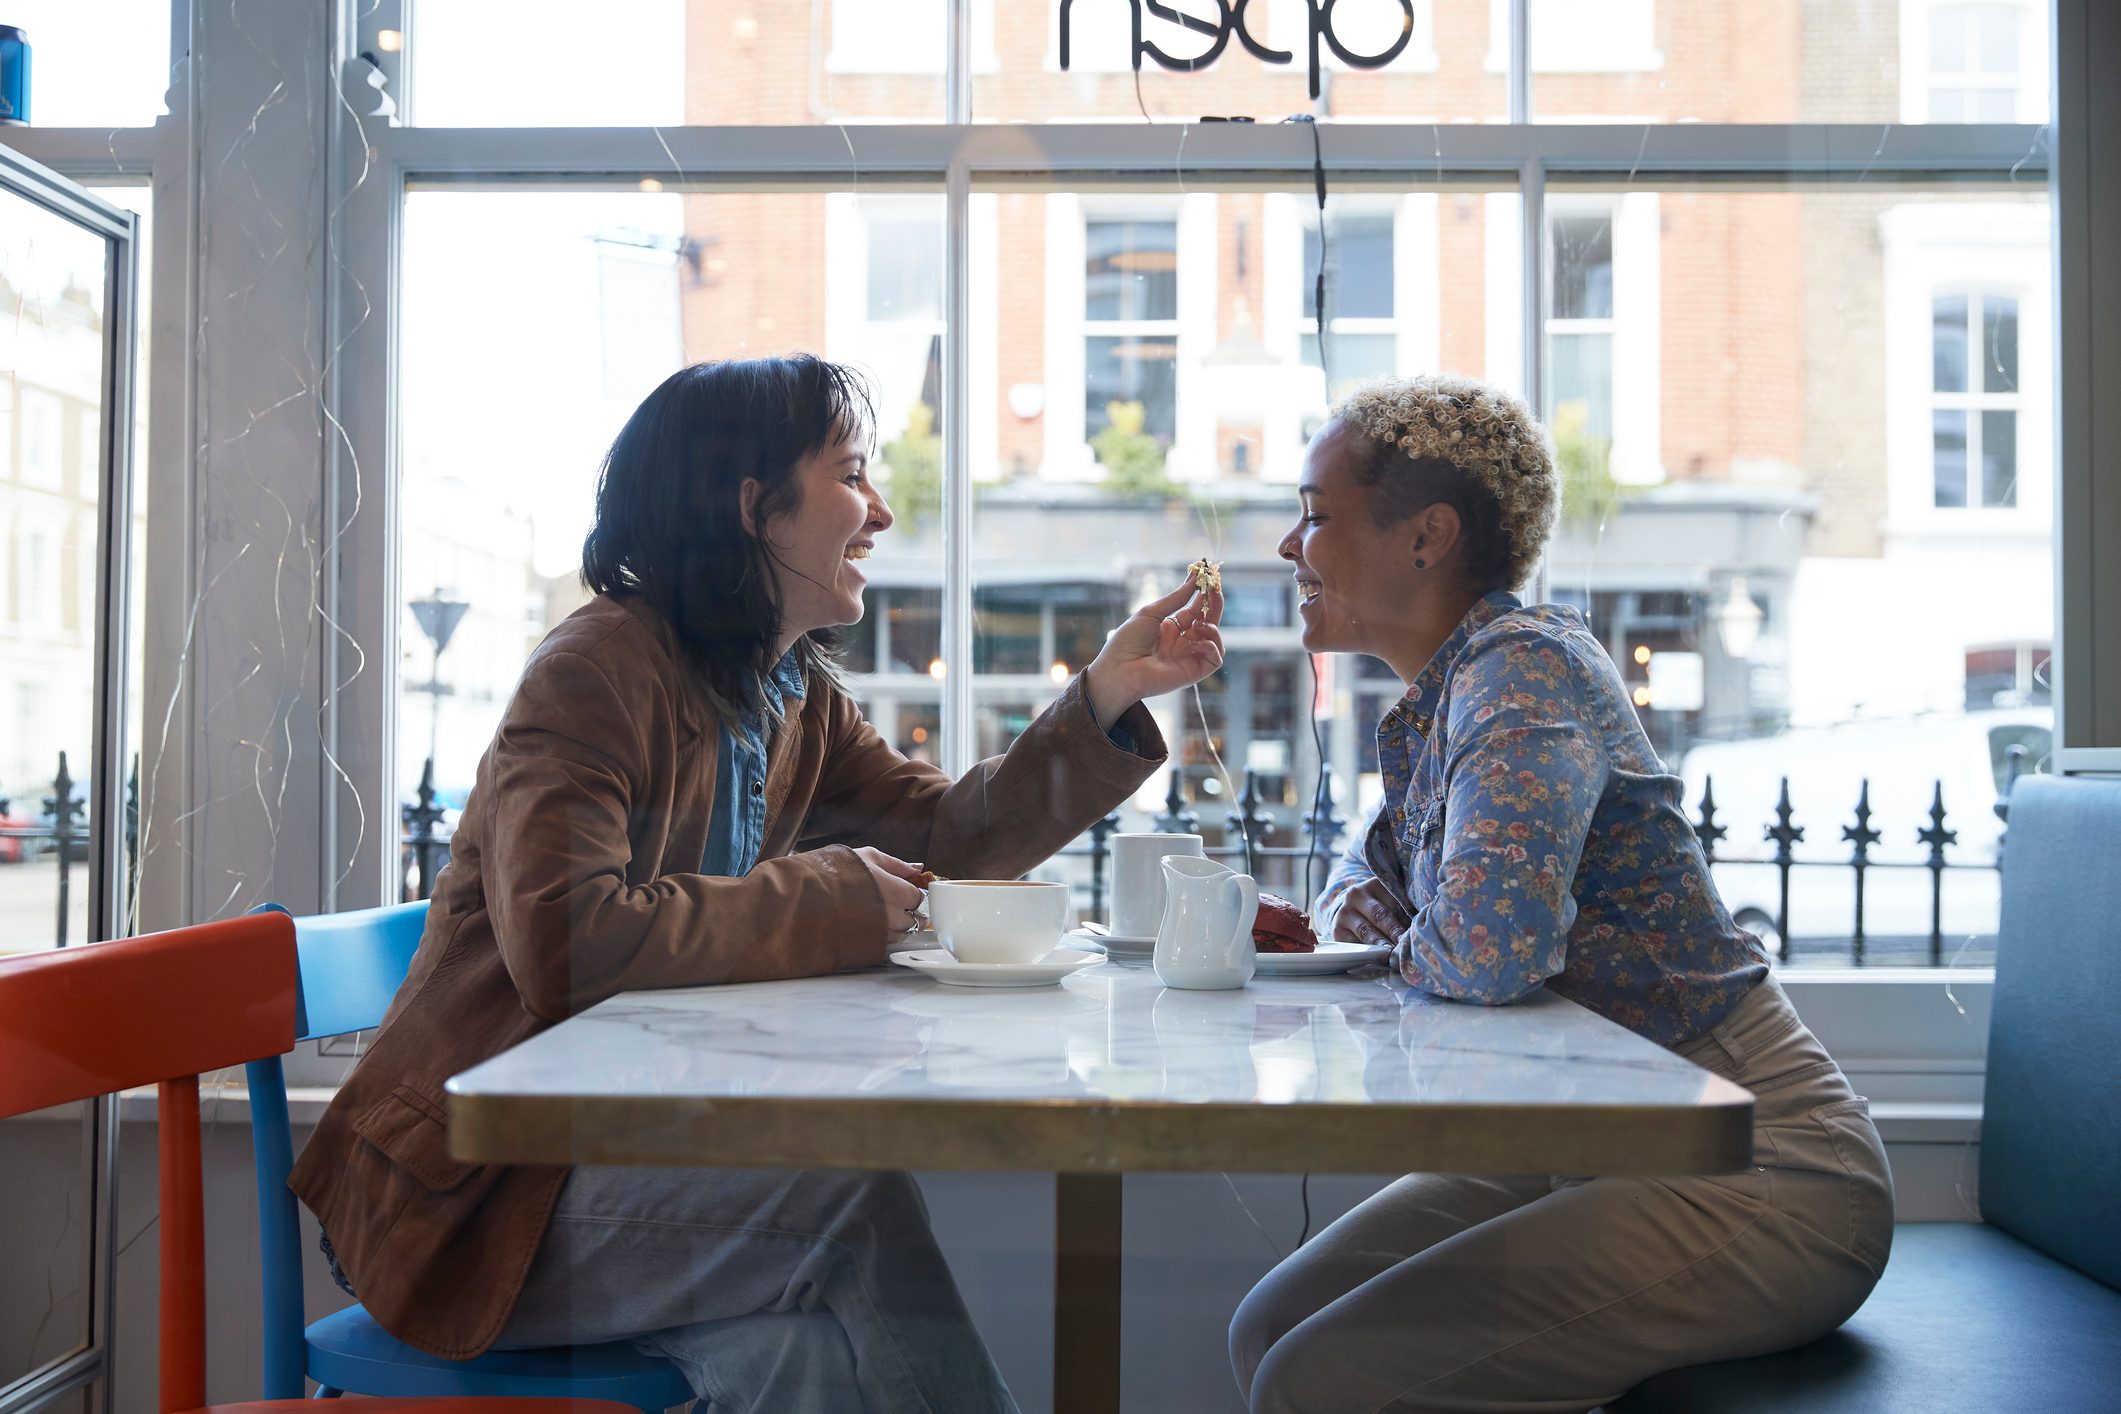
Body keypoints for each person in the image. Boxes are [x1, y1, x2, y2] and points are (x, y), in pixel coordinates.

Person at [291, 355, 1225, 1414]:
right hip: (473, 1203)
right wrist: (828, 897)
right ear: (753, 509)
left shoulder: (788, 694)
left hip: (609, 1161)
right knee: (843, 1202)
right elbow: (566, 944)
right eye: (850, 475)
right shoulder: (594, 668)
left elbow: (948, 836)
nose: (878, 511)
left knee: (802, 1364)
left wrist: (1105, 687)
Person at [1228, 374, 1892, 1413]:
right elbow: (1364, 877)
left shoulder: (1525, 674)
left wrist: (1418, 927)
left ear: (1426, 536)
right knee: (1266, 1327)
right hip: (1599, 1138)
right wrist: (1395, 909)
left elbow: (1486, 953)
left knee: (1318, 1381)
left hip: (1766, 1162)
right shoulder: (1444, 697)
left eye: (1315, 515)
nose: (1287, 547)